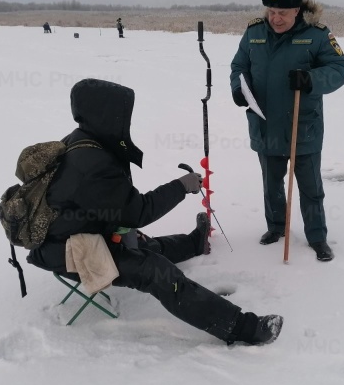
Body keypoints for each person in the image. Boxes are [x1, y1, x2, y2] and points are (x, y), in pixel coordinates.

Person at [27, 78, 283, 345]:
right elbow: (137, 211)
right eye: (119, 113)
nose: (124, 120)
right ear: (102, 114)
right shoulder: (89, 162)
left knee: (141, 244)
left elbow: (110, 205)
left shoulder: (84, 139)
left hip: (76, 234)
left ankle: (194, 243)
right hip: (67, 251)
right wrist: (181, 186)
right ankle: (244, 329)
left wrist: (121, 227)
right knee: (155, 271)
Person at [230, 0, 344, 262]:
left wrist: (311, 78)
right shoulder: (254, 33)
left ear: (297, 10)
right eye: (271, 12)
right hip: (265, 124)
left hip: (302, 126)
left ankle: (317, 237)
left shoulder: (318, 34)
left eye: (282, 12)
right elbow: (239, 65)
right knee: (271, 185)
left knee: (310, 188)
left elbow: (339, 68)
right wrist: (238, 88)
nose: (275, 18)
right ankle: (276, 228)